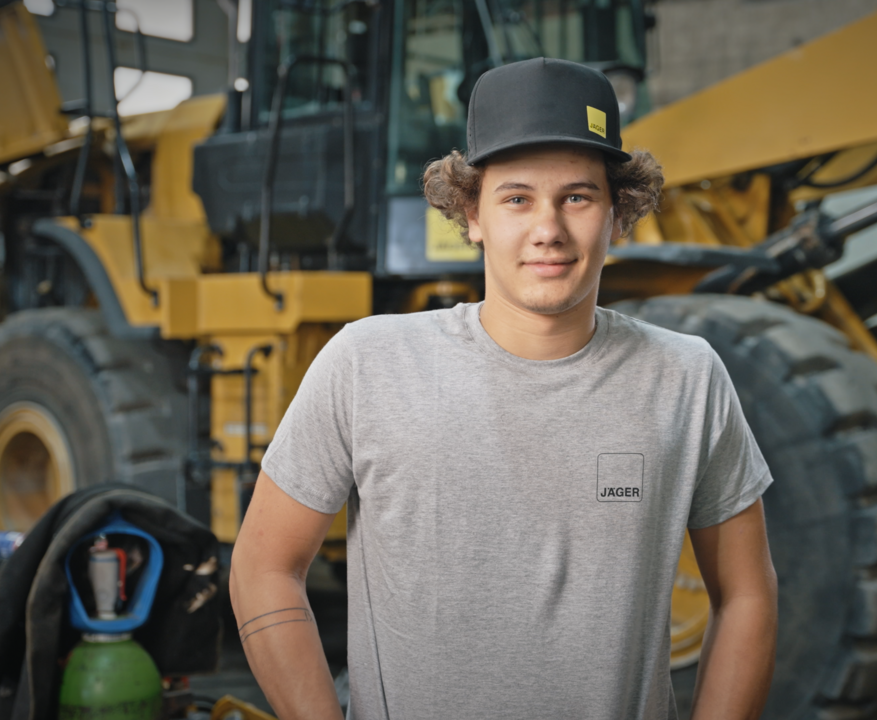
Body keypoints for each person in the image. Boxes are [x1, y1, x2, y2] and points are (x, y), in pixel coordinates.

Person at [229, 57, 778, 720]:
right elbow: (263, 568)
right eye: (517, 198)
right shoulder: (366, 364)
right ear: (473, 213)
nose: (547, 228)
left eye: (577, 196)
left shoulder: (685, 379)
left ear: (617, 214)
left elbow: (746, 593)